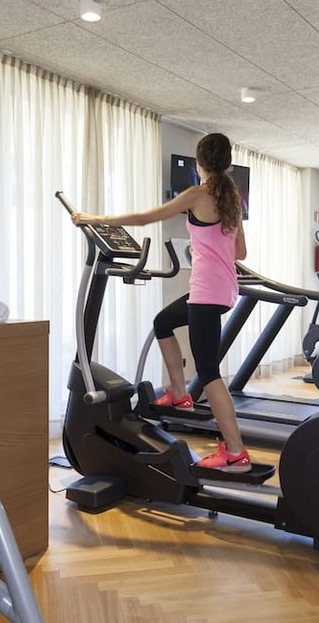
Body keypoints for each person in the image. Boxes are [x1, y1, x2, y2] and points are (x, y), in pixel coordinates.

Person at [71, 133, 252, 473]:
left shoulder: (198, 194)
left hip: (207, 291)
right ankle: (180, 394)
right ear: (226, 162)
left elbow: (144, 218)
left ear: (200, 162)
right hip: (223, 288)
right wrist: (205, 247)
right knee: (163, 322)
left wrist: (93, 219)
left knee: (209, 372)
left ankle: (235, 452)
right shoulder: (230, 200)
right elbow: (240, 252)